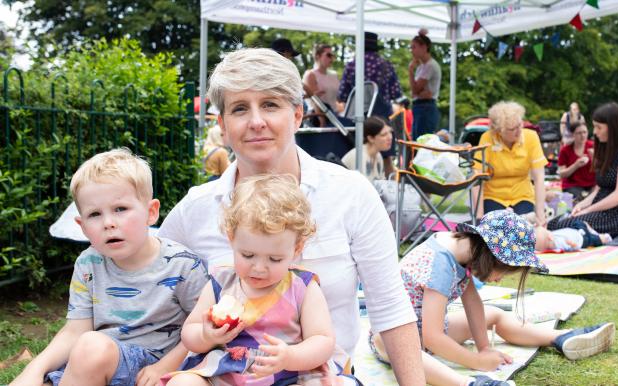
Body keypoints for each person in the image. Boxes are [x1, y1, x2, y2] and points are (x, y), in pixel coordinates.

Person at [157, 48, 425, 385]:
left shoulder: (351, 194)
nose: (257, 121)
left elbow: (390, 307)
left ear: (297, 115)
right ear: (223, 126)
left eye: (270, 105)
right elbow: (153, 287)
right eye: (240, 108)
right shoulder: (196, 208)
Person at [10, 148, 208, 386]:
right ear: (82, 226)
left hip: (158, 368)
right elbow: (75, 331)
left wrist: (165, 366)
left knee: (90, 346)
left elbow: (203, 328)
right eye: (95, 214)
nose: (108, 223)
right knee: (83, 350)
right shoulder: (88, 263)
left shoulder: (183, 265)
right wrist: (34, 369)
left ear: (151, 212)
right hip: (99, 361)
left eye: (120, 209)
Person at [370, 210, 615, 386]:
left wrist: (485, 346)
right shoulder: (440, 263)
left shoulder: (460, 252)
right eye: (503, 271)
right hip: (399, 337)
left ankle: (561, 338)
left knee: (495, 315)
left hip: (424, 331)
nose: (499, 280)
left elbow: (473, 303)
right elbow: (432, 337)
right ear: (490, 256)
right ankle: (467, 383)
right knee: (398, 347)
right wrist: (475, 361)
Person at [164, 174, 354, 385]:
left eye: (275, 259)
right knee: (183, 383)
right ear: (231, 238)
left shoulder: (302, 286)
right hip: (228, 372)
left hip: (288, 374)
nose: (259, 268)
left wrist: (290, 357)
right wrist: (206, 336)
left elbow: (322, 340)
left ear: (297, 248)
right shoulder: (221, 282)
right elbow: (189, 332)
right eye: (247, 255)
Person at [547, 102, 618, 236]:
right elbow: (601, 189)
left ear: (612, 127)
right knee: (554, 223)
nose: (594, 132)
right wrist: (582, 205)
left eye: (598, 127)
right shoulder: (609, 148)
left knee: (565, 225)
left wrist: (588, 210)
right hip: (604, 210)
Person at [472, 101, 548, 226]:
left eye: (519, 125)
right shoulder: (487, 138)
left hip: (523, 196)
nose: (519, 131)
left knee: (522, 227)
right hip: (493, 196)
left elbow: (539, 177)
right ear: (498, 131)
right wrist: (479, 217)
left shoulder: (531, 137)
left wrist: (540, 215)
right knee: (498, 227)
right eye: (512, 129)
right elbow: (477, 179)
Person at [338, 31, 402, 178]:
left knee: (360, 155)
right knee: (387, 161)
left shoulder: (352, 65)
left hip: (359, 119)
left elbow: (342, 96)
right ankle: (387, 194)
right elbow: (396, 93)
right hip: (382, 118)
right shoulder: (385, 65)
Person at [409, 29, 442, 141]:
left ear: (424, 47)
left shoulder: (430, 66)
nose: (411, 51)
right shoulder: (421, 67)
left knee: (422, 143)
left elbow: (415, 90)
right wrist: (417, 92)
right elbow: (416, 91)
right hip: (421, 106)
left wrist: (410, 71)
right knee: (417, 140)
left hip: (426, 108)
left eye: (414, 47)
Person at [341, 116, 393, 182]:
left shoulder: (378, 155)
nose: (390, 137)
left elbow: (382, 185)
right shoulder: (360, 156)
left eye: (390, 132)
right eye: (384, 135)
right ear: (371, 138)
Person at [303, 44, 341, 127]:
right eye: (328, 55)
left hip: (333, 116)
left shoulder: (334, 75)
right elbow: (315, 102)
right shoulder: (311, 74)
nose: (331, 58)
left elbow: (338, 99)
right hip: (317, 119)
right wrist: (322, 122)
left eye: (332, 55)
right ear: (317, 56)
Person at [557, 121, 596, 200]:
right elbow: (562, 174)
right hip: (573, 185)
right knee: (579, 199)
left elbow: (603, 170)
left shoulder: (594, 146)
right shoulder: (565, 150)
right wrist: (576, 165)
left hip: (592, 184)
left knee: (596, 198)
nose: (583, 136)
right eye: (579, 133)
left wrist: (594, 159)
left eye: (585, 132)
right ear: (573, 134)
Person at [534, 221, 612, 252]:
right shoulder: (559, 243)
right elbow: (571, 247)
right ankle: (604, 238)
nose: (549, 231)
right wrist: (573, 245)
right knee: (595, 239)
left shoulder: (551, 238)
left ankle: (593, 232)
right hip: (582, 239)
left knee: (579, 223)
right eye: (548, 231)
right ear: (549, 237)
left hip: (576, 231)